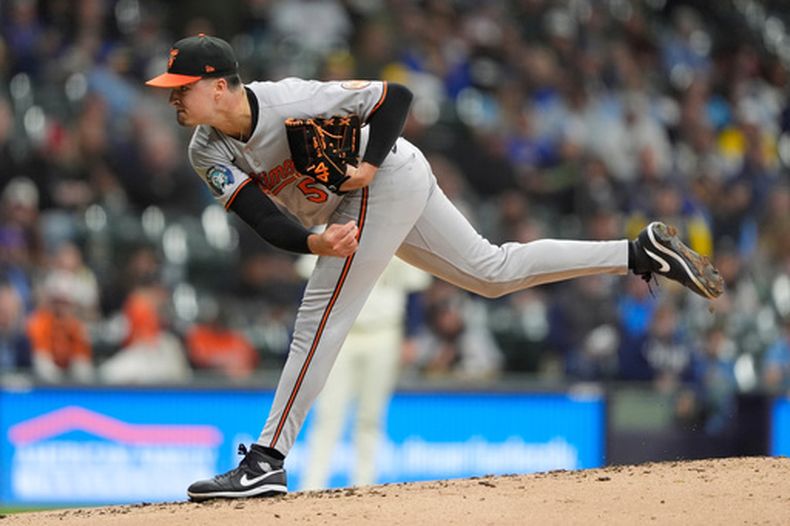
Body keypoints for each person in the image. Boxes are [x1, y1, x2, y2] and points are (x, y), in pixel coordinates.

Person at [144, 34, 724, 501]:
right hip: (363, 197)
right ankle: (638, 253)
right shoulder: (206, 148)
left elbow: (394, 97)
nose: (172, 96)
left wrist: (368, 166)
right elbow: (261, 219)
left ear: (219, 87)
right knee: (492, 273)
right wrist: (313, 242)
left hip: (388, 174)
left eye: (181, 87)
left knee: (319, 317)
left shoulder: (291, 99)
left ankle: (266, 461)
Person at [299, 256, 430, 489]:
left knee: (370, 416)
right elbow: (309, 281)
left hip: (385, 330)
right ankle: (312, 485)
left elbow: (414, 291)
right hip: (340, 331)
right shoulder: (336, 223)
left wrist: (411, 335)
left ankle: (363, 486)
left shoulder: (399, 227)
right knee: (328, 413)